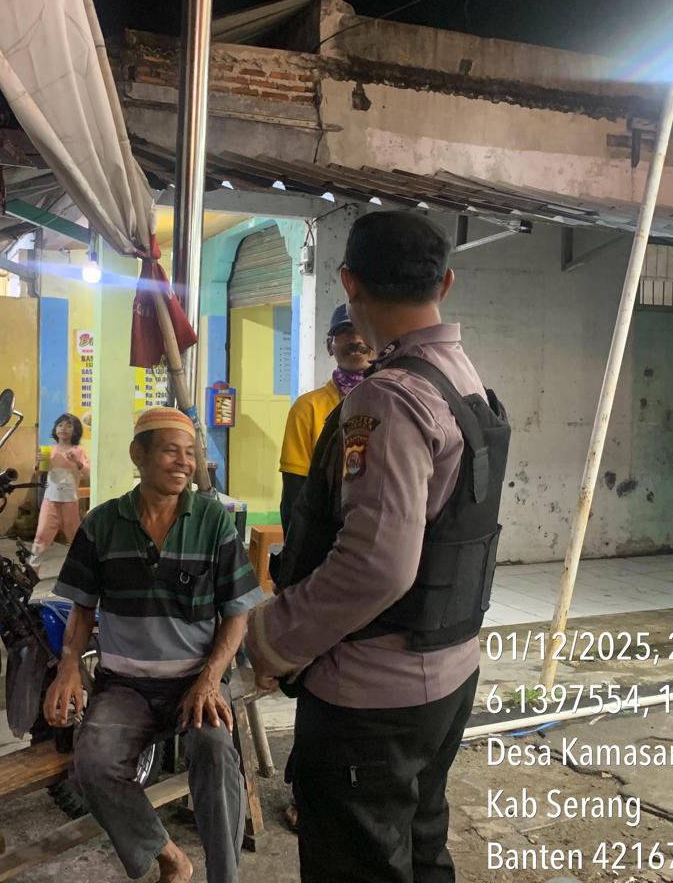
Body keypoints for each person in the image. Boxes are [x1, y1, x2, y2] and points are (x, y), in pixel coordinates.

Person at [245, 211, 509, 883]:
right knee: (420, 848)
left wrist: (274, 637)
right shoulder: (464, 380)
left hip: (373, 695)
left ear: (349, 282)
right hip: (449, 670)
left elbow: (375, 566)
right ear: (444, 284)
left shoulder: (387, 399)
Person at [44, 407, 266, 883]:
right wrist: (68, 668)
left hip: (195, 682)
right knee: (93, 765)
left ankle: (224, 878)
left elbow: (238, 613)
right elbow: (81, 608)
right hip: (125, 686)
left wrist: (210, 680)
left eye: (191, 453)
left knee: (216, 754)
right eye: (171, 451)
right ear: (137, 455)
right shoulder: (101, 524)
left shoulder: (213, 521)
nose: (184, 463)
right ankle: (169, 856)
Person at [278, 304, 373, 534]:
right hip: (325, 536)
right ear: (330, 346)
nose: (356, 340)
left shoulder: (393, 403)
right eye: (345, 333)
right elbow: (294, 492)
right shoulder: (307, 408)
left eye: (363, 331)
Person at [33, 412, 90, 559]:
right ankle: (32, 570)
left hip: (70, 501)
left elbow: (88, 472)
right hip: (50, 500)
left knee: (75, 538)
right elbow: (39, 473)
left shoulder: (78, 451)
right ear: (55, 429)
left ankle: (81, 567)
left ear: (75, 430)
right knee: (41, 536)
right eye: (60, 425)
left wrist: (76, 462)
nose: (63, 428)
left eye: (69, 425)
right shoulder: (49, 451)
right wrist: (39, 462)